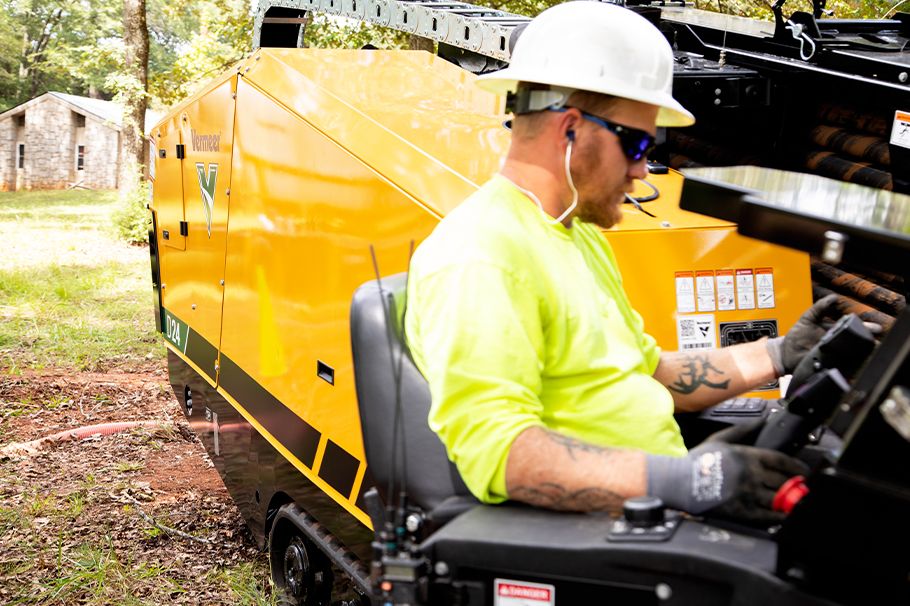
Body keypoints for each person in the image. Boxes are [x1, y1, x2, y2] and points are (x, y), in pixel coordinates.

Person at [403, 2, 833, 523]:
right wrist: (687, 481)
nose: (641, 172)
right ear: (570, 129)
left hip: (659, 514)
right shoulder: (482, 256)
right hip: (607, 541)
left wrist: (782, 352)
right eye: (638, 144)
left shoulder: (575, 235)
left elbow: (655, 376)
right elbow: (503, 455)